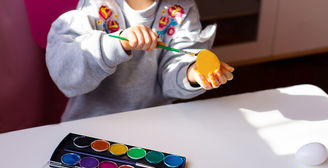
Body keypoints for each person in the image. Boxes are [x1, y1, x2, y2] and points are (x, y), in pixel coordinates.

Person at [46, 0, 234, 121]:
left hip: (152, 124)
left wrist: (191, 73)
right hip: (91, 127)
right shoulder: (94, 6)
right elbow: (66, 74)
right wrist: (116, 44)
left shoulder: (182, 9)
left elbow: (175, 68)